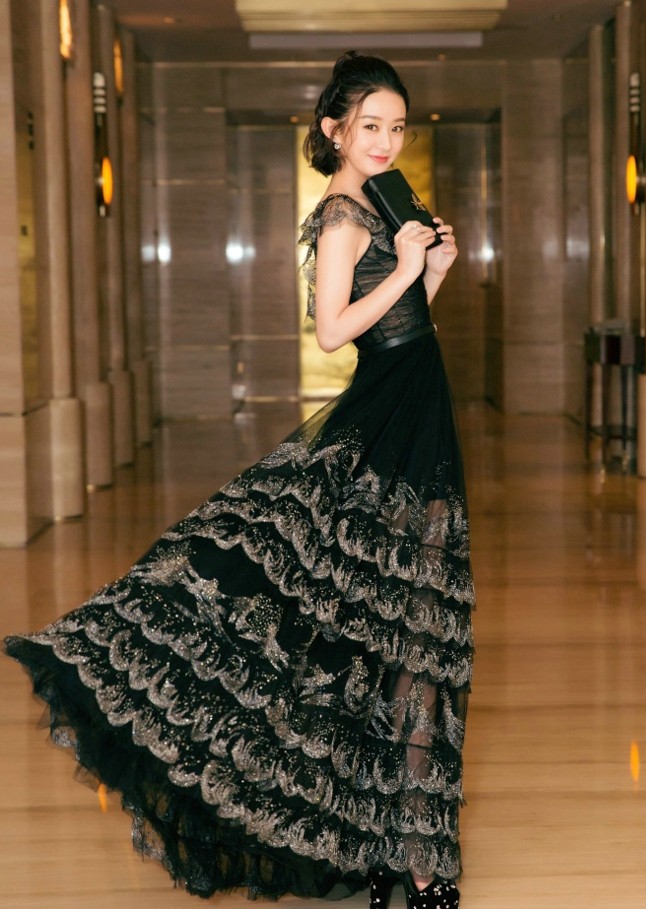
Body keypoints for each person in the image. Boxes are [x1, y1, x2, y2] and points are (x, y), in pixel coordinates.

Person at [4, 51, 474, 909]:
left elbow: (403, 325)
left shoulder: (386, 202)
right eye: (370, 125)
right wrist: (407, 269)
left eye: (397, 127)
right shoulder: (342, 213)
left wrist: (431, 272)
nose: (386, 140)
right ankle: (412, 862)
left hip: (417, 416)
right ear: (334, 129)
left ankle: (398, 850)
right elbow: (332, 331)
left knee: (409, 636)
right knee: (395, 635)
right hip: (385, 424)